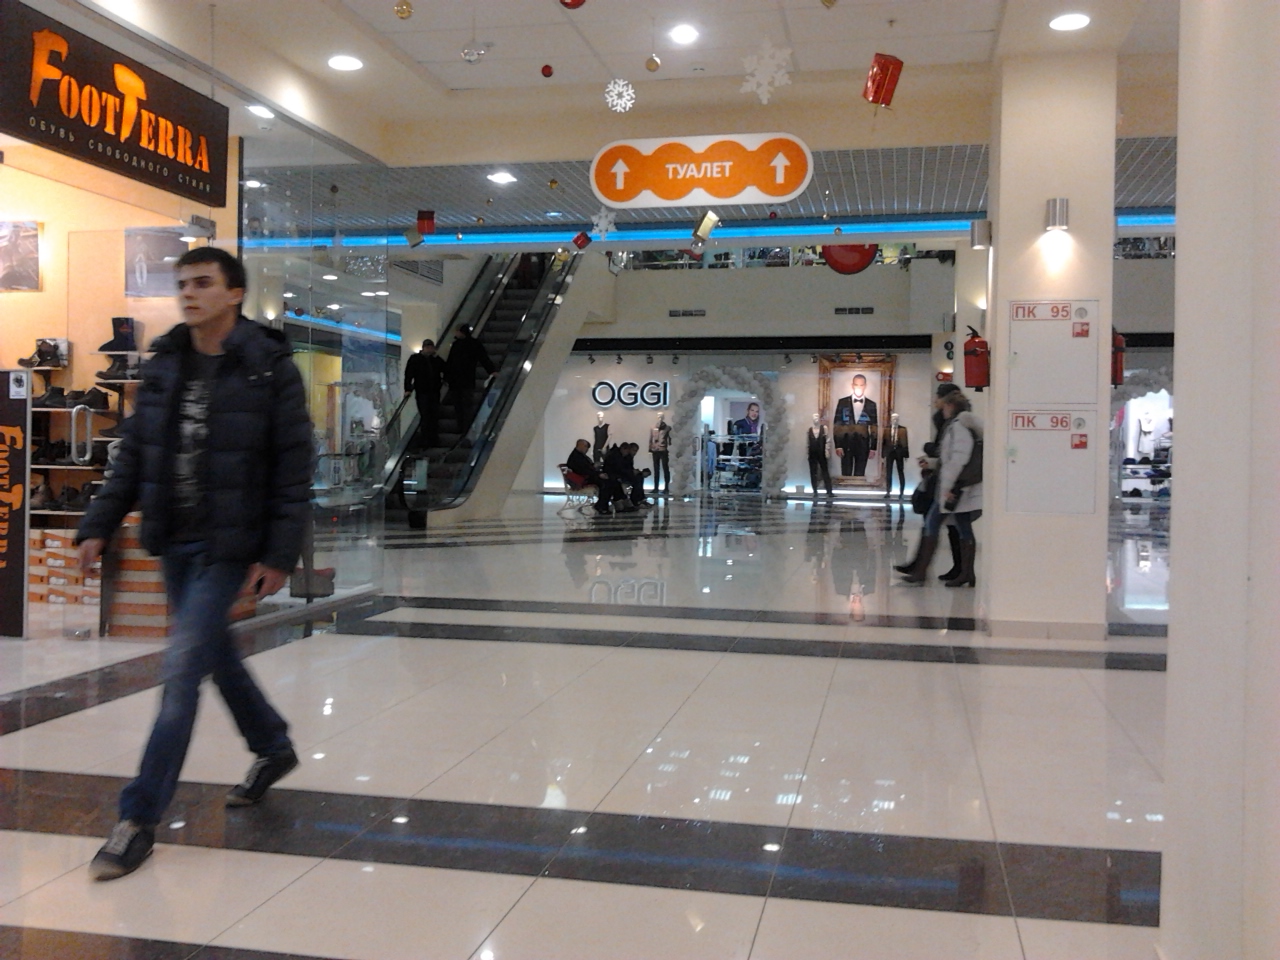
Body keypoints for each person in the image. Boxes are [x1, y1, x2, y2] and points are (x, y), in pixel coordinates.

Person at [76, 247, 313, 881]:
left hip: (228, 545)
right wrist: (98, 524)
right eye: (182, 283)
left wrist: (279, 554)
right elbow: (134, 454)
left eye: (203, 283)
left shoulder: (269, 368)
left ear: (234, 293)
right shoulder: (166, 363)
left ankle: (137, 820)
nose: (189, 293)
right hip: (174, 539)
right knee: (213, 654)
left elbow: (293, 470)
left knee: (181, 671)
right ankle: (272, 746)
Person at [900, 389, 983, 586]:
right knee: (962, 525)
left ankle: (922, 571)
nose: (942, 410)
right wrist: (933, 464)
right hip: (961, 487)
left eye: (944, 406)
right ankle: (966, 573)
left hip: (955, 488)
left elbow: (958, 459)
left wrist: (948, 487)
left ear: (951, 406)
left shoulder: (958, 427)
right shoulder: (960, 426)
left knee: (933, 522)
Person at [895, 382, 964, 581]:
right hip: (946, 480)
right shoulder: (947, 421)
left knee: (939, 523)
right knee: (950, 525)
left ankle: (923, 569)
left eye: (938, 397)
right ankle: (951, 569)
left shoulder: (956, 424)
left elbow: (949, 452)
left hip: (950, 482)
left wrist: (930, 450)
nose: (935, 401)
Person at [445, 325, 496, 436]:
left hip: (456, 381)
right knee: (466, 405)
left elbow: (450, 362)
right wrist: (492, 371)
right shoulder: (474, 344)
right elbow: (484, 358)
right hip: (467, 380)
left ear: (461, 332)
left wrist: (446, 377)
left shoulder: (456, 345)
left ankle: (461, 427)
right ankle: (466, 428)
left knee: (459, 406)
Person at [403, 338, 446, 449]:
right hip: (422, 391)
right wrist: (407, 388)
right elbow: (408, 374)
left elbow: (445, 369)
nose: (430, 350)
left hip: (434, 391)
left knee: (434, 415)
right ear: (424, 348)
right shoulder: (415, 359)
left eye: (431, 348)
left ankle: (432, 439)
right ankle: (426, 440)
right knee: (426, 415)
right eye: (428, 347)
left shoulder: (435, 360)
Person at [833, 374, 878, 477]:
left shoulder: (871, 404)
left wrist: (873, 447)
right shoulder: (842, 402)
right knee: (846, 473)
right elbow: (837, 424)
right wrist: (838, 445)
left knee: (860, 473)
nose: (859, 387)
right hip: (846, 442)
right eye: (856, 385)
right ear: (852, 385)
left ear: (865, 386)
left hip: (863, 444)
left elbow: (874, 427)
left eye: (861, 385)